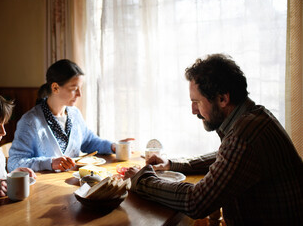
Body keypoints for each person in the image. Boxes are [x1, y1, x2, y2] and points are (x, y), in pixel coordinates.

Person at [125, 54, 303, 225]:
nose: (193, 110)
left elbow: (196, 201)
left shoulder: (245, 136)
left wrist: (141, 180)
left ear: (223, 98)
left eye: (197, 102)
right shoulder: (255, 117)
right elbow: (227, 158)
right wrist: (173, 164)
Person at [8, 59, 128, 172]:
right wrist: (49, 163)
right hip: (44, 188)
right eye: (74, 88)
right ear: (55, 88)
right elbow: (14, 162)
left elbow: (89, 141)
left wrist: (112, 146)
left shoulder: (74, 113)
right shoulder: (30, 121)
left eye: (80, 88)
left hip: (73, 182)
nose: (79, 94)